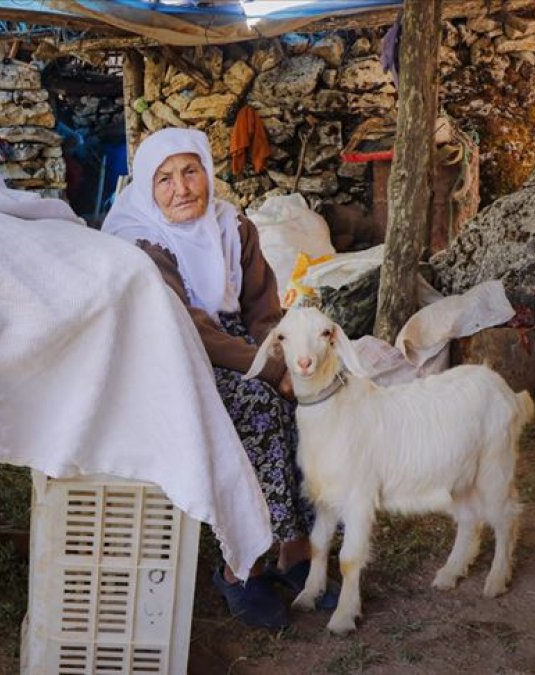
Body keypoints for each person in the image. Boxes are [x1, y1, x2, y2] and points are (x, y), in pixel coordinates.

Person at [103, 128, 335, 630]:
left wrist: (287, 359)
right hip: (169, 356)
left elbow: (262, 310)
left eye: (191, 171)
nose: (181, 188)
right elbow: (189, 329)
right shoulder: (138, 241)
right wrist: (272, 373)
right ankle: (240, 566)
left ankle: (295, 552)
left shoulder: (233, 226)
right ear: (147, 187)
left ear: (208, 173)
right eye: (164, 179)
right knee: (256, 408)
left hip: (243, 349)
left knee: (311, 403)